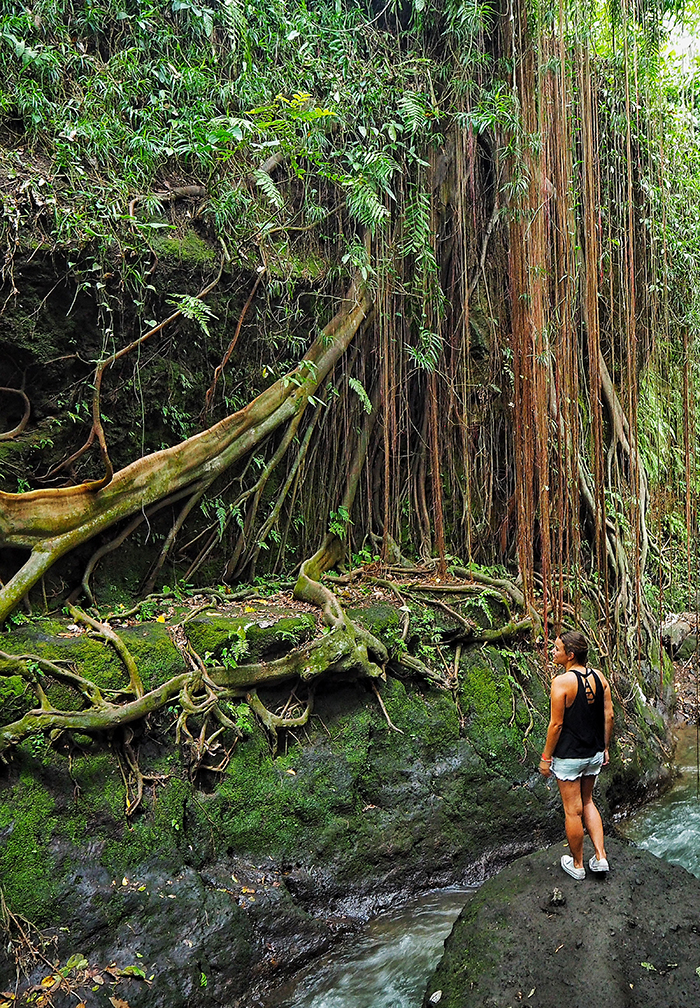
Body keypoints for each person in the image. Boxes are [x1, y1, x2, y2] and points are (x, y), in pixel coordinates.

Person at [538, 630, 614, 880]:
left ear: (570, 655)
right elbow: (609, 715)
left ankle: (578, 864)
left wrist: (546, 758)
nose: (553, 652)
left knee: (573, 810)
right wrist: (605, 748)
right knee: (589, 801)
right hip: (593, 754)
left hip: (569, 758)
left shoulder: (561, 682)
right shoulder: (599, 677)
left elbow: (556, 725)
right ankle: (601, 857)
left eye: (557, 649)